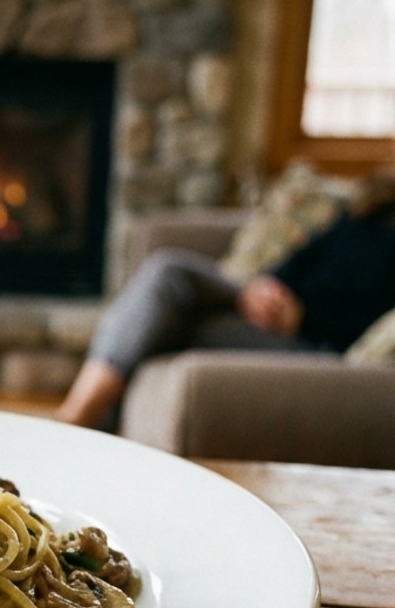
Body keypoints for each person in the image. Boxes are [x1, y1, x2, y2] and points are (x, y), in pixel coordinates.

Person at [57, 170, 395, 430]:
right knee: (167, 273)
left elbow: (370, 322)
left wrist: (300, 317)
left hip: (308, 341)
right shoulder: (362, 215)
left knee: (167, 311)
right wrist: (267, 288)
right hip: (266, 305)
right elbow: (298, 262)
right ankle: (82, 425)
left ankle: (77, 420)